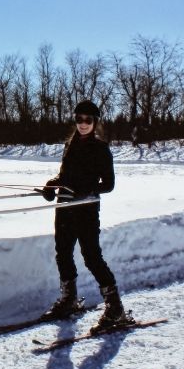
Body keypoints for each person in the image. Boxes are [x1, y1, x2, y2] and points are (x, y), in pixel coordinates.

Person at [40, 100, 134, 332]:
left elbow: (109, 184)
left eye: (88, 120)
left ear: (95, 122)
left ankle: (115, 309)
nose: (83, 124)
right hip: (64, 208)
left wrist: (89, 190)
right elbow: (64, 176)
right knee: (63, 253)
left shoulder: (101, 148)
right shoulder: (69, 145)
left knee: (92, 257)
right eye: (79, 119)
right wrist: (52, 185)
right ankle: (69, 299)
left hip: (86, 210)